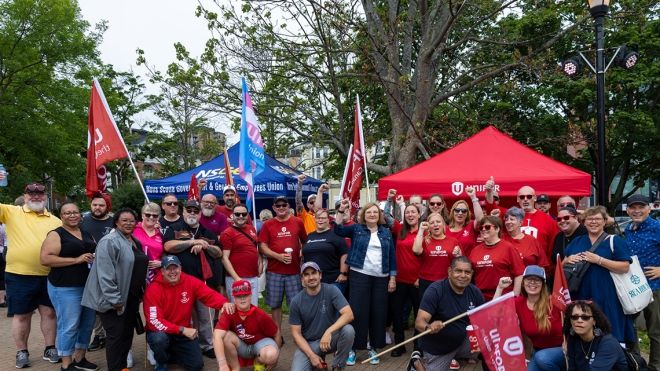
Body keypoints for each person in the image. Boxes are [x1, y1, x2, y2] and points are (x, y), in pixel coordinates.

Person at [0, 182, 61, 368]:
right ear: (25, 196)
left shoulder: (56, 221)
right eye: (31, 194)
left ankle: (50, 348)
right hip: (19, 274)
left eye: (40, 194)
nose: (36, 197)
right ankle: (21, 351)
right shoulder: (11, 212)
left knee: (49, 313)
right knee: (22, 315)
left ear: (45, 197)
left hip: (49, 274)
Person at [81, 208, 148, 371]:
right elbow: (105, 274)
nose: (128, 223)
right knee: (116, 337)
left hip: (131, 297)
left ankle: (122, 367)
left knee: (126, 335)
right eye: (124, 220)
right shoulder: (109, 241)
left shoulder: (133, 240)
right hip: (114, 300)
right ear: (116, 222)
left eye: (132, 220)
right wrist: (115, 299)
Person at [143, 255, 234, 371]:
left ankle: (172, 355)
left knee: (196, 365)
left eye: (175, 268)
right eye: (168, 269)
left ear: (180, 268)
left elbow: (208, 294)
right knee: (158, 339)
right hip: (164, 331)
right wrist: (181, 329)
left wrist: (224, 303)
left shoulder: (189, 281)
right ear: (162, 271)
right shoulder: (153, 289)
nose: (172, 272)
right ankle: (161, 361)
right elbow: (154, 321)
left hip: (182, 333)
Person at [564, 205, 636, 346]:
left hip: (608, 296)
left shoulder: (614, 241)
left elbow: (625, 267)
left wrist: (599, 260)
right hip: (581, 296)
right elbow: (561, 264)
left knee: (610, 335)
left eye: (597, 219)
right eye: (589, 219)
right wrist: (567, 260)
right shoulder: (577, 241)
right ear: (584, 222)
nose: (593, 222)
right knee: (584, 335)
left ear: (604, 221)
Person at [334, 200, 396, 365]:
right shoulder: (356, 229)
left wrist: (392, 277)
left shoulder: (386, 232)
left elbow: (392, 256)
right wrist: (340, 210)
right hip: (360, 276)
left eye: (375, 212)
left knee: (378, 313)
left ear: (379, 215)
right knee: (358, 313)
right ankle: (353, 348)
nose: (372, 214)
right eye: (369, 212)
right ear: (363, 215)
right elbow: (338, 229)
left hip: (381, 278)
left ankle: (373, 348)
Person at [40, 203, 98, 371]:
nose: (72, 215)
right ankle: (66, 364)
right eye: (67, 213)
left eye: (75, 212)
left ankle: (80, 359)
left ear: (80, 215)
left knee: (87, 324)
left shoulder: (86, 233)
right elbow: (45, 259)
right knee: (69, 325)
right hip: (65, 287)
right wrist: (76, 260)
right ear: (61, 216)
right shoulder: (56, 234)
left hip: (88, 286)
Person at [163, 199, 223, 359]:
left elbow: (219, 252)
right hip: (180, 283)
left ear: (200, 214)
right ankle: (185, 345)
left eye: (195, 211)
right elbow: (168, 246)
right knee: (184, 315)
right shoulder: (174, 229)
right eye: (189, 210)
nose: (192, 213)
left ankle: (207, 345)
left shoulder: (207, 232)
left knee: (206, 316)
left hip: (204, 282)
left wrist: (205, 245)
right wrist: (192, 242)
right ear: (183, 212)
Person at [413, 256, 485, 371]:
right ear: (449, 271)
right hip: (439, 348)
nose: (463, 275)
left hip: (463, 341)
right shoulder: (436, 290)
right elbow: (419, 322)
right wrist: (429, 327)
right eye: (458, 271)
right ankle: (417, 363)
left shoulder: (475, 292)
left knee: (491, 346)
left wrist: (482, 341)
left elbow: (483, 320)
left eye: (467, 272)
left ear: (471, 274)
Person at [494, 266, 565, 371]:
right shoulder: (519, 302)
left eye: (537, 280)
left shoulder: (554, 301)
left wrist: (568, 342)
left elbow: (574, 315)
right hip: (538, 352)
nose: (532, 283)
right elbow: (495, 312)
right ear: (523, 282)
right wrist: (500, 288)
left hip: (562, 350)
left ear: (543, 284)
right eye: (529, 279)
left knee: (542, 358)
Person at [289, 262, 355, 371]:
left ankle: (338, 367)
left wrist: (328, 331)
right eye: (306, 274)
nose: (311, 277)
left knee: (348, 330)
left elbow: (349, 314)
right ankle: (319, 363)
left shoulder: (332, 290)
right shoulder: (296, 301)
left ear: (320, 275)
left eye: (314, 273)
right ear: (302, 279)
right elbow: (296, 334)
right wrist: (312, 356)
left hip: (331, 338)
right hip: (310, 344)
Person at [258, 195, 308, 333]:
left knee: (295, 305)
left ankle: (297, 333)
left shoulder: (297, 222)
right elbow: (262, 246)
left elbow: (305, 241)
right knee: (275, 305)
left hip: (293, 271)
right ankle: (277, 334)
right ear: (273, 208)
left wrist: (301, 252)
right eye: (278, 205)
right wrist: (278, 256)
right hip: (274, 271)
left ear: (288, 206)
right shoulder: (268, 224)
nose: (281, 208)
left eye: (284, 205)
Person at [624, 194, 659, 371]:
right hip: (634, 287)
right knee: (629, 328)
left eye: (641, 207)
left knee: (655, 331)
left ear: (649, 208)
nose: (637, 210)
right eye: (633, 207)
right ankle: (636, 364)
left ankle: (655, 367)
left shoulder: (657, 227)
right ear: (628, 210)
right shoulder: (629, 228)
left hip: (655, 287)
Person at [214, 280, 280, 371]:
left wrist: (276, 357)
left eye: (245, 295)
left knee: (271, 354)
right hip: (243, 347)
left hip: (261, 344)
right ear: (234, 298)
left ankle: (258, 363)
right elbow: (216, 335)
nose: (242, 298)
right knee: (225, 336)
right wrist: (222, 364)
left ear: (250, 295)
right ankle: (235, 368)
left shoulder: (260, 314)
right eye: (238, 296)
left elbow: (276, 333)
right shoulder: (229, 312)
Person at [80, 192, 114, 352]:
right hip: (88, 269)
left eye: (101, 205)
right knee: (94, 304)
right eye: (95, 205)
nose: (98, 208)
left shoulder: (114, 221)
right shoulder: (83, 221)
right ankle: (99, 335)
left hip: (110, 269)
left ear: (107, 206)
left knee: (108, 302)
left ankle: (110, 334)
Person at [388, 201, 423, 356]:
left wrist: (421, 277)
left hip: (417, 281)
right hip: (400, 280)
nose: (410, 215)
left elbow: (428, 256)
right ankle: (399, 344)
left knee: (418, 314)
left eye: (413, 212)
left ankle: (418, 344)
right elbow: (384, 216)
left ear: (419, 214)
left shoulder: (424, 231)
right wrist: (391, 200)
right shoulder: (399, 230)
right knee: (397, 313)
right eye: (407, 212)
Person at [468, 216, 524, 301]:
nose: (483, 229)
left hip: (503, 297)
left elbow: (519, 274)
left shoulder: (508, 248)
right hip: (479, 298)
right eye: (481, 227)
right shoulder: (475, 250)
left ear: (497, 229)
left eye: (487, 227)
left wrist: (515, 296)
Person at [563, 300, 628, 370]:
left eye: (585, 317)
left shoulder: (609, 343)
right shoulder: (573, 340)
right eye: (574, 317)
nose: (579, 320)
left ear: (594, 321)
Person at [412, 212, 461, 300]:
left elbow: (459, 262)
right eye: (432, 223)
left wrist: (458, 255)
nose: (435, 225)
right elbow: (416, 250)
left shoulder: (453, 241)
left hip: (447, 281)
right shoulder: (425, 241)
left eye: (438, 222)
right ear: (429, 227)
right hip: (426, 282)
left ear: (443, 224)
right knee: (426, 310)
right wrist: (421, 230)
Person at [220, 204, 262, 305]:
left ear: (247, 215)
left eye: (243, 214)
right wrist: (237, 278)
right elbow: (224, 258)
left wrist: (259, 262)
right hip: (236, 278)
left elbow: (255, 248)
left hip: (253, 276)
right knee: (237, 310)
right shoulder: (227, 233)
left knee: (253, 309)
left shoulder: (252, 229)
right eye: (237, 214)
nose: (241, 216)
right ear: (232, 215)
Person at [301, 209, 349, 295]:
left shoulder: (336, 234)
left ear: (328, 220)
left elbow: (344, 254)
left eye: (323, 218)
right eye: (318, 218)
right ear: (315, 219)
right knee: (315, 306)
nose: (320, 220)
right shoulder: (310, 236)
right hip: (312, 280)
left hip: (332, 280)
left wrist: (343, 273)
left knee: (333, 307)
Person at [516, 186, 559, 261]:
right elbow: (492, 207)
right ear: (518, 199)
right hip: (515, 266)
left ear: (535, 198)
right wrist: (490, 192)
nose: (525, 199)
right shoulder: (511, 217)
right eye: (522, 197)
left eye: (529, 196)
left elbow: (552, 245)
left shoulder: (548, 219)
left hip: (539, 267)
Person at [445, 187, 484, 257]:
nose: (460, 213)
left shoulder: (471, 226)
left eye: (464, 211)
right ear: (452, 212)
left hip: (468, 266)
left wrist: (473, 197)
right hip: (450, 266)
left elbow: (480, 219)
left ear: (467, 214)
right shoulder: (445, 230)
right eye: (457, 210)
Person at [133, 202, 164, 284]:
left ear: (159, 217)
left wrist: (161, 262)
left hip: (156, 275)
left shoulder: (161, 234)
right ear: (142, 215)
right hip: (135, 272)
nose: (151, 217)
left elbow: (165, 253)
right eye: (148, 215)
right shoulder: (133, 229)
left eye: (155, 215)